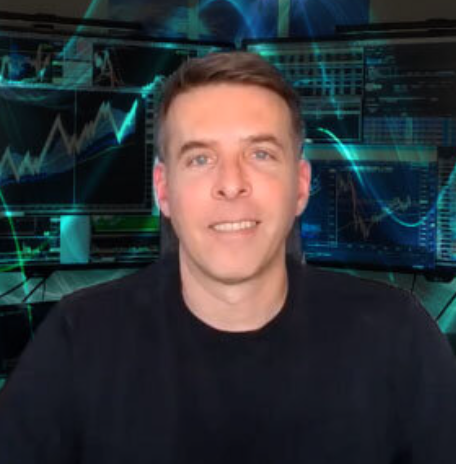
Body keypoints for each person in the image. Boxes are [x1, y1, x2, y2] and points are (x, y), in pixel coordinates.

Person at [1, 51, 456, 464]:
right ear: (163, 190)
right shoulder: (78, 338)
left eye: (260, 154)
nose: (232, 184)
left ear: (301, 186)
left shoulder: (399, 337)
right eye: (200, 159)